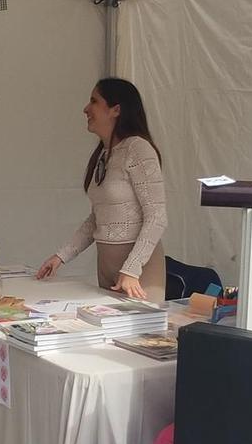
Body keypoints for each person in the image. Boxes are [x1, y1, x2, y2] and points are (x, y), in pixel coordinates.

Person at [36, 78, 167, 303]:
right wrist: (61, 256)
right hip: (107, 267)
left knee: (140, 337)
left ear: (116, 109)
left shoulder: (138, 149)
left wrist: (132, 269)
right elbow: (98, 218)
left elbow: (157, 216)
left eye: (94, 101)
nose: (86, 109)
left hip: (138, 274)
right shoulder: (104, 155)